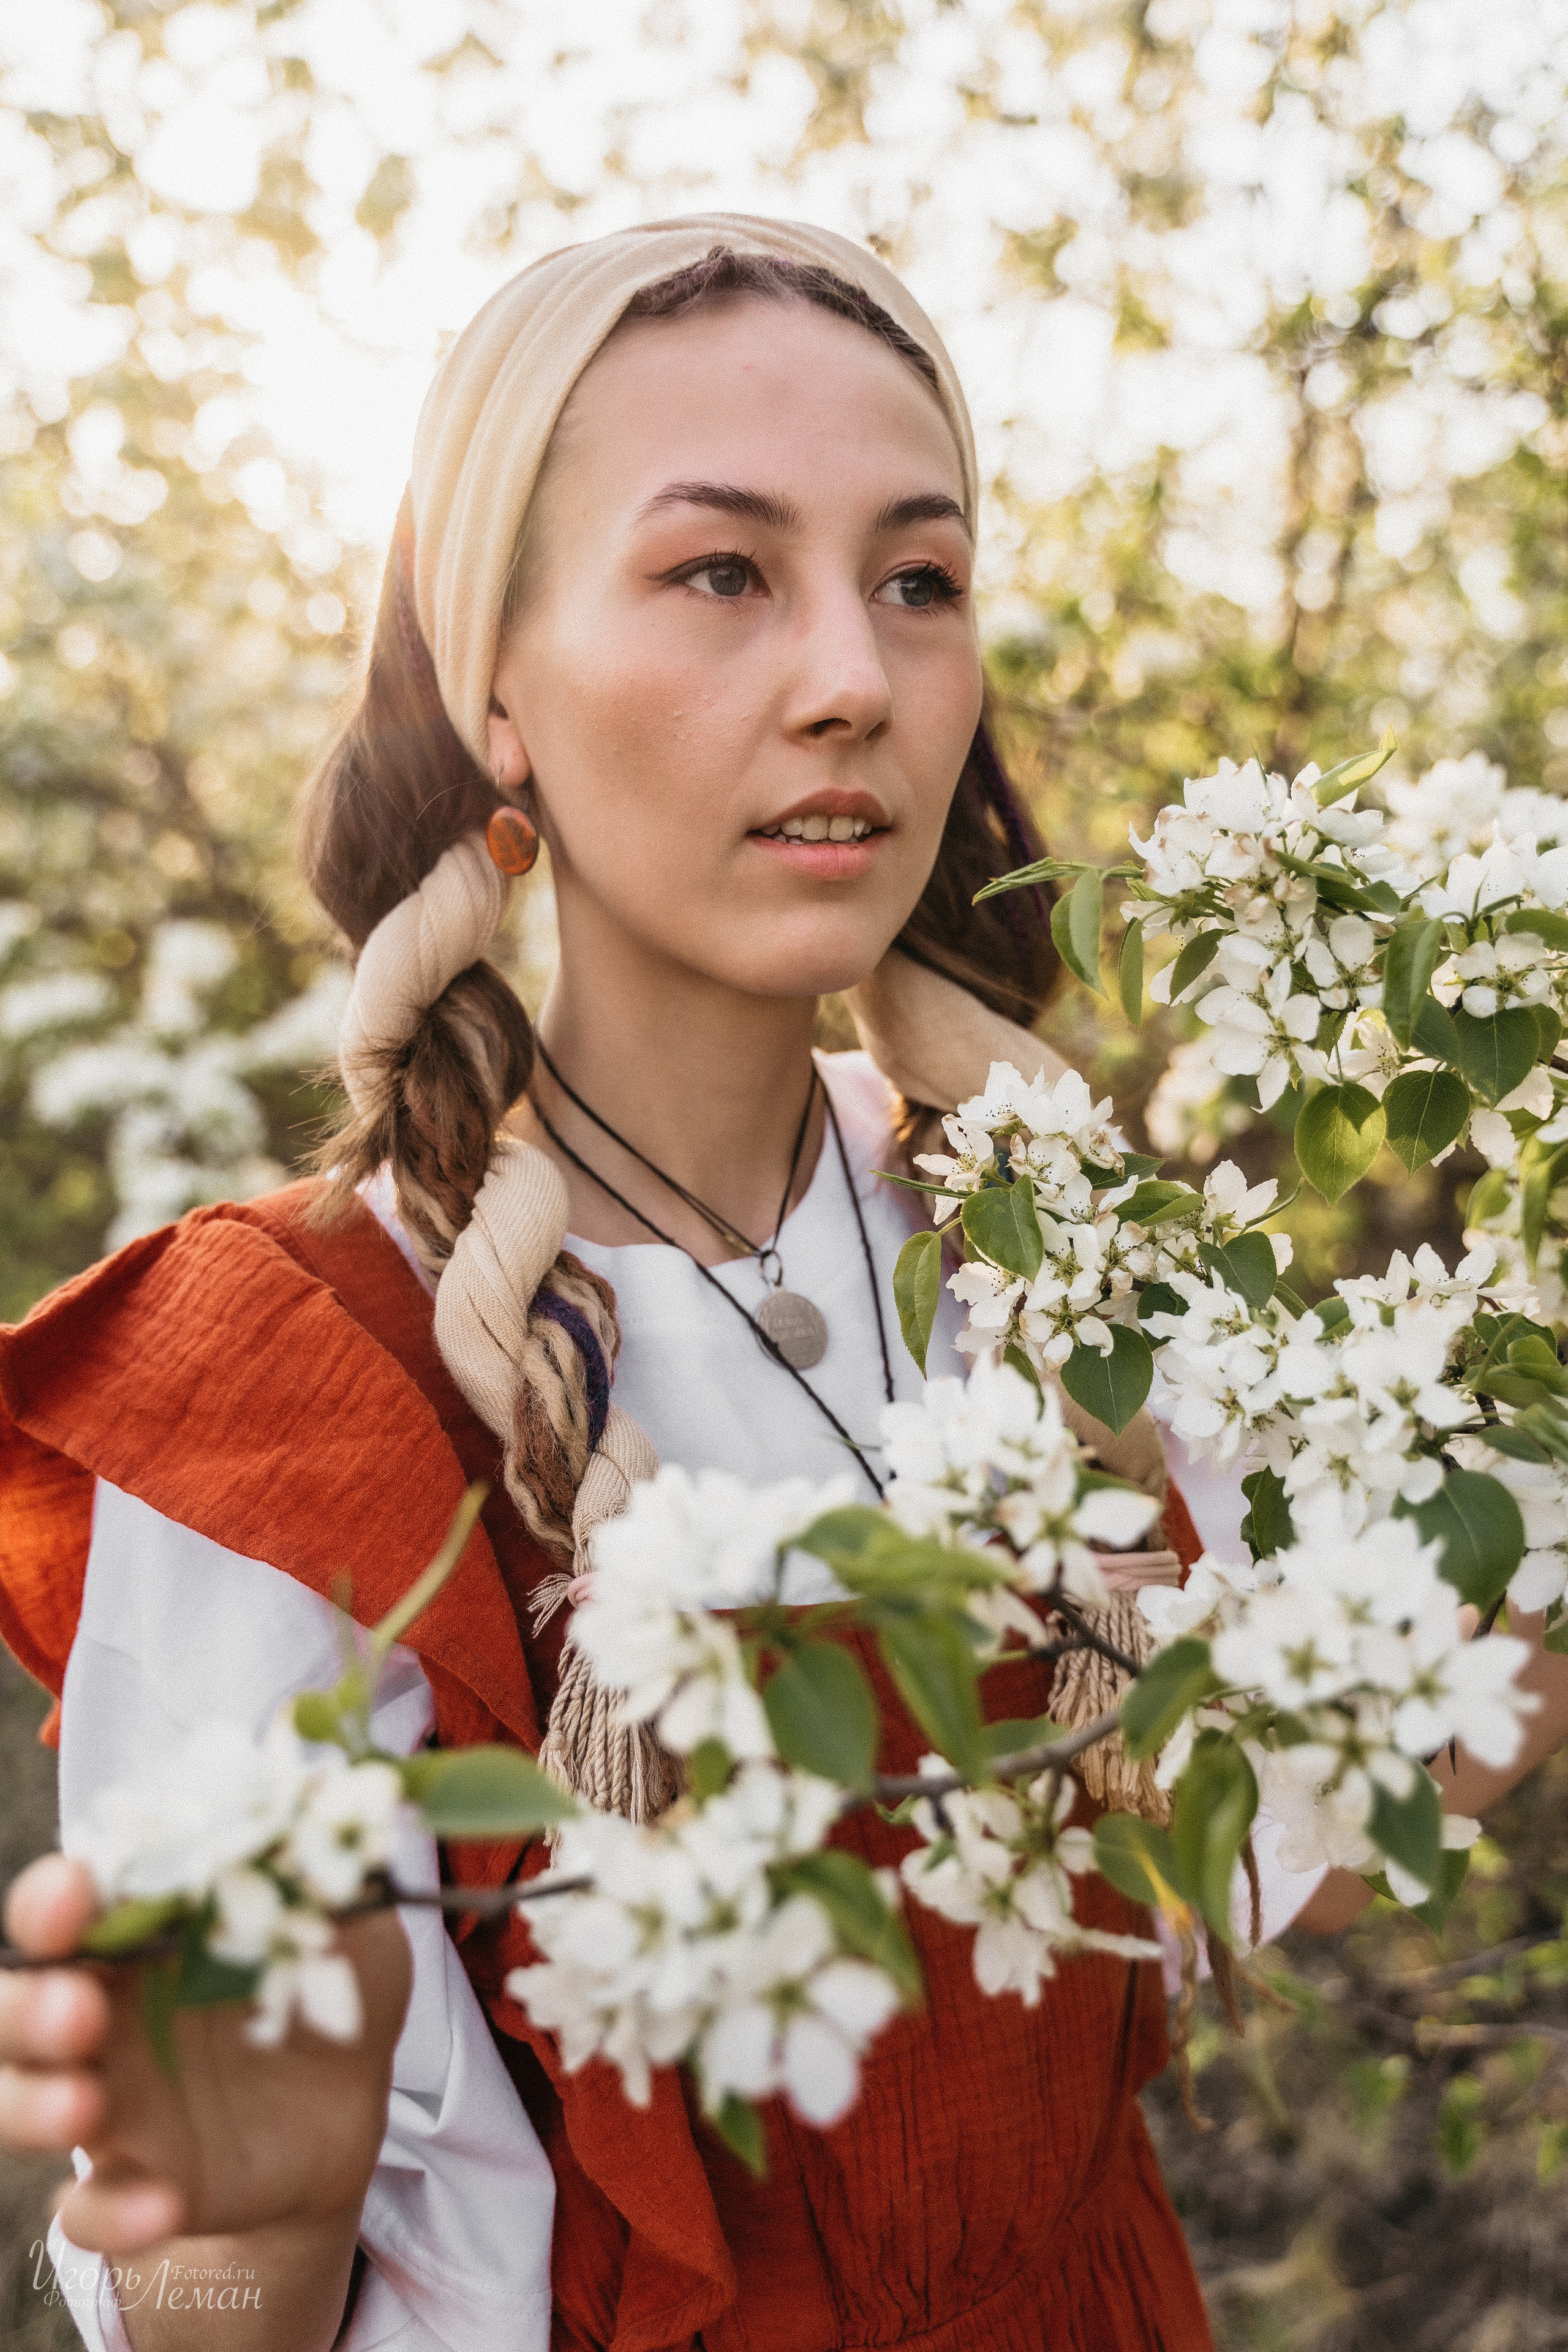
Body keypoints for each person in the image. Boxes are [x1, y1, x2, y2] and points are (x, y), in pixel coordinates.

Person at [1, 213, 1564, 2352]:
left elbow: (1259, 1838)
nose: (854, 679)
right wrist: (247, 2223)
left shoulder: (1047, 1226)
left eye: (919, 581)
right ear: (494, 691)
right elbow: (189, 2287)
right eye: (722, 570)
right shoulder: (293, 1390)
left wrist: (1502, 1569)